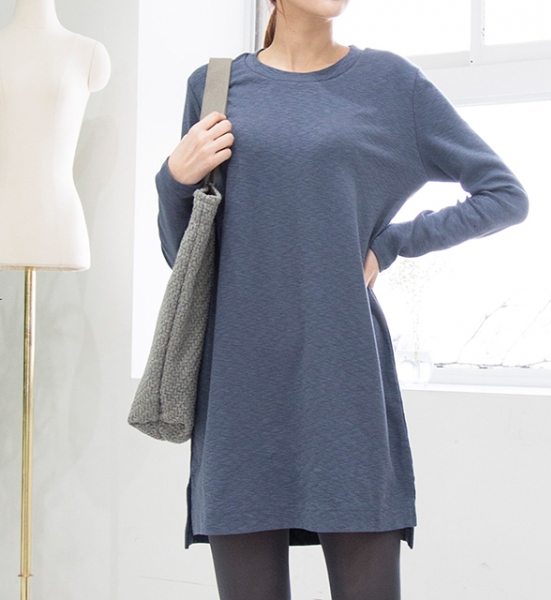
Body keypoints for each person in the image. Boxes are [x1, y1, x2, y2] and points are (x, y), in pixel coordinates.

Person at [155, 1, 529, 598]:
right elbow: (187, 257)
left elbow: (503, 195)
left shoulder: (391, 84)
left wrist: (390, 244)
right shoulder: (214, 87)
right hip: (238, 394)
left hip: (343, 387)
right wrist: (173, 180)